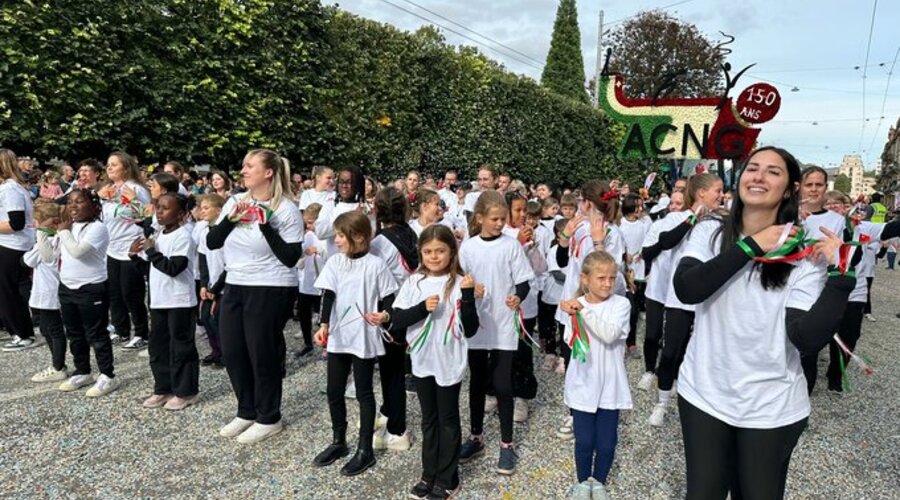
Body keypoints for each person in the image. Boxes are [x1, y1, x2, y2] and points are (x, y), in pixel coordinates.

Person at [672, 146, 850, 499]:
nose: (758, 176)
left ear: (790, 189)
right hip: (705, 392)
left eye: (773, 171)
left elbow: (806, 338)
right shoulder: (710, 232)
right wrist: (750, 246)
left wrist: (841, 276)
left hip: (771, 406)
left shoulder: (803, 253)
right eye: (753, 168)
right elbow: (688, 289)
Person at [207, 149, 303, 444]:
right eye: (244, 165)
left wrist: (265, 226)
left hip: (271, 285)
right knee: (233, 351)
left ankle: (269, 416)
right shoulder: (235, 201)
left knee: (261, 353)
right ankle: (246, 410)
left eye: (250, 166)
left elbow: (291, 257)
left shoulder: (286, 209)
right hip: (236, 282)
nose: (243, 170)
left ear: (268, 172)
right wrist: (230, 219)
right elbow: (212, 241)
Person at [392, 225, 479, 500]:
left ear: (452, 251)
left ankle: (448, 478)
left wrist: (468, 296)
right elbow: (397, 319)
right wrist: (422, 308)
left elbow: (471, 328)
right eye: (428, 251)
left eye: (440, 251)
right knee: (429, 419)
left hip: (449, 361)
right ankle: (428, 473)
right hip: (422, 360)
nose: (434, 256)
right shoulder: (414, 282)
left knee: (448, 419)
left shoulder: (460, 282)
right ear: (420, 252)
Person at [312, 211, 399, 476]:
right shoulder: (335, 262)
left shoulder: (376, 265)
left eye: (341, 235)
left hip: (363, 335)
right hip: (339, 335)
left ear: (359, 237)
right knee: (334, 390)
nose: (336, 240)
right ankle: (338, 441)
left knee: (363, 392)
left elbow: (389, 298)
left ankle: (365, 449)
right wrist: (323, 324)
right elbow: (328, 294)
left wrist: (385, 316)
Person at [458, 190, 534, 475]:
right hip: (478, 322)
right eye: (495, 219)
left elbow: (524, 280)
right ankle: (476, 436)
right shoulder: (468, 247)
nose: (501, 223)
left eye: (503, 218)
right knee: (477, 382)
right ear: (479, 218)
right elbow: (460, 279)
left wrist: (518, 296)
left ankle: (506, 444)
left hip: (503, 322)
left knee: (502, 384)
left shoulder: (511, 246)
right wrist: (469, 288)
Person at [649, 173, 723, 427]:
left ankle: (691, 398)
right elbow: (666, 242)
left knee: (700, 353)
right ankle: (661, 402)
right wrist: (693, 218)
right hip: (678, 298)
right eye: (717, 190)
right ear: (701, 193)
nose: (721, 195)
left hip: (707, 298)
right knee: (670, 351)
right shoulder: (676, 217)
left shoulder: (721, 221)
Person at [559, 251, 631, 500]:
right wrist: (574, 314)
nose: (607, 283)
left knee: (607, 442)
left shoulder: (621, 305)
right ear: (585, 279)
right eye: (601, 278)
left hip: (611, 385)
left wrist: (583, 312)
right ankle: (582, 482)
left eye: (612, 278)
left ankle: (599, 481)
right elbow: (571, 341)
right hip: (583, 383)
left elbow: (610, 334)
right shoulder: (575, 305)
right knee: (584, 440)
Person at [131, 193, 199, 411]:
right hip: (159, 300)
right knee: (158, 346)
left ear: (181, 214)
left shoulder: (183, 236)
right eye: (158, 207)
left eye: (165, 208)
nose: (159, 212)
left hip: (179, 300)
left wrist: (151, 251)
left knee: (181, 347)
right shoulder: (158, 234)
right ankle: (163, 387)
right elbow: (152, 269)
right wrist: (135, 257)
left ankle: (185, 391)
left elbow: (174, 268)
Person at [369, 187, 418, 451]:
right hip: (409, 305)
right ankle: (388, 412)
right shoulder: (411, 234)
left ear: (377, 210)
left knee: (392, 372)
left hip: (389, 309)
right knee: (395, 367)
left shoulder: (378, 243)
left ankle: (398, 430)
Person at [56, 189, 118, 397]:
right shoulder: (69, 226)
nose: (73, 206)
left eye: (79, 201)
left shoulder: (98, 228)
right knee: (74, 333)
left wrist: (63, 232)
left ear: (93, 206)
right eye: (70, 202)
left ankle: (107, 375)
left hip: (91, 287)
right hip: (67, 286)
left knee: (96, 334)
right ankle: (82, 370)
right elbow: (51, 256)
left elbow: (78, 252)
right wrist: (43, 233)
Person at [98, 151, 152, 349]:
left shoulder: (136, 189)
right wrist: (100, 197)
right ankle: (121, 330)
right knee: (115, 293)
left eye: (114, 164)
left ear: (126, 168)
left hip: (131, 246)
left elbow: (145, 217)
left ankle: (141, 332)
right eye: (108, 164)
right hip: (112, 247)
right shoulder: (108, 190)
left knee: (131, 292)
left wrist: (133, 200)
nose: (109, 168)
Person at [636, 190, 687, 392]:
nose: (674, 207)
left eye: (679, 204)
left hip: (678, 291)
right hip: (657, 288)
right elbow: (647, 253)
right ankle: (649, 370)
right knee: (652, 333)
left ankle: (672, 374)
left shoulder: (694, 228)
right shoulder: (659, 225)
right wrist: (665, 240)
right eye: (672, 203)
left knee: (676, 337)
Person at [25, 201, 68, 381]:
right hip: (42, 289)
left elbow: (36, 259)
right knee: (45, 328)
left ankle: (59, 366)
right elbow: (29, 259)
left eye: (36, 221)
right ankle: (56, 363)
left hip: (49, 290)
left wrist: (41, 232)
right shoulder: (48, 239)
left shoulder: (49, 240)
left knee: (54, 329)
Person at [0, 148, 37, 352]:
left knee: (8, 292)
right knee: (9, 291)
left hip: (12, 245)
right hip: (9, 244)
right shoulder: (10, 187)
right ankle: (19, 331)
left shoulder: (10, 189)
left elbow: (16, 222)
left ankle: (22, 334)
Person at [196, 193, 226, 368]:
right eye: (201, 208)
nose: (202, 211)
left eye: (206, 208)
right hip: (210, 284)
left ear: (219, 210)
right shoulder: (204, 232)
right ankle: (216, 351)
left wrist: (216, 288)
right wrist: (204, 285)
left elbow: (229, 264)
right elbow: (203, 259)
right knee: (206, 318)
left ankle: (226, 354)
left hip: (224, 285)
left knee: (219, 321)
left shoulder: (225, 232)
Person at [295, 202, 324, 359]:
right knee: (304, 313)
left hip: (321, 282)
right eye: (307, 222)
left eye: (311, 222)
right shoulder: (306, 236)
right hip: (306, 282)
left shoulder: (325, 237)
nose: (308, 226)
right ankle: (308, 343)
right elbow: (298, 256)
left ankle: (327, 344)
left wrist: (318, 250)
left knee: (323, 315)